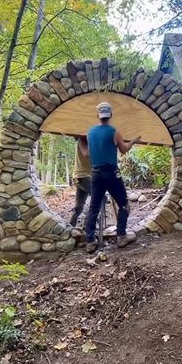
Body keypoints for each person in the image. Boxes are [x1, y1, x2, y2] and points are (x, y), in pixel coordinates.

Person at [85, 102, 141, 253]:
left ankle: (90, 241)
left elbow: (89, 153)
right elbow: (123, 150)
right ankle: (121, 237)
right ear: (110, 115)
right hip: (111, 174)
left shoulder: (90, 133)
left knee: (93, 207)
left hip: (96, 174)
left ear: (98, 115)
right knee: (123, 204)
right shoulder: (114, 132)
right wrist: (134, 141)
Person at [69, 136, 91, 228]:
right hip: (83, 176)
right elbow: (86, 154)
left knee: (79, 205)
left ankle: (70, 227)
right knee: (101, 197)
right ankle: (87, 227)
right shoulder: (83, 139)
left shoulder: (88, 140)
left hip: (83, 176)